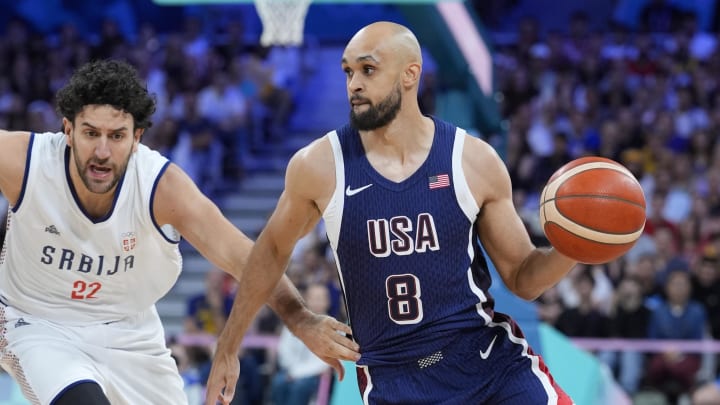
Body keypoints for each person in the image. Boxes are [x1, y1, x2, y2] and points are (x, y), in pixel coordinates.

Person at [206, 21, 577, 404]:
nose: (354, 84)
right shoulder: (319, 166)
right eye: (348, 71)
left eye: (368, 69)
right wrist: (261, 333)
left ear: (409, 75)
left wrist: (575, 248)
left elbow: (523, 278)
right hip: (395, 381)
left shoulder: (472, 160)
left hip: (488, 366)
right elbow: (269, 252)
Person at [0, 59, 358, 405]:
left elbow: (245, 258)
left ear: (137, 137)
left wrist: (299, 317)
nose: (103, 151)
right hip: (38, 323)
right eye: (91, 133)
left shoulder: (162, 188)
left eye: (117, 135)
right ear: (68, 130)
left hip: (130, 330)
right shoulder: (26, 161)